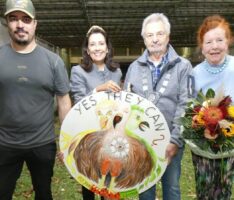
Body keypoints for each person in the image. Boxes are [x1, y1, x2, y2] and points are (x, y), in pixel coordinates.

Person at [0, 0, 71, 199]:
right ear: (7, 23)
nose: (20, 24)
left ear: (34, 24)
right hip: (5, 143)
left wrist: (66, 142)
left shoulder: (53, 61)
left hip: (42, 143)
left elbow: (64, 101)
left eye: (26, 19)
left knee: (43, 192)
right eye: (14, 19)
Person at [124, 13, 192, 200]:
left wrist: (175, 141)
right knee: (145, 189)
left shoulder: (183, 66)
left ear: (168, 36)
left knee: (171, 189)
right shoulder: (134, 67)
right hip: (141, 143)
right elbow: (126, 104)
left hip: (171, 141)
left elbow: (187, 104)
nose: (155, 39)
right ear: (144, 38)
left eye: (159, 34)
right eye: (149, 35)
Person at [70, 25, 122, 200]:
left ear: (107, 48)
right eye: (93, 44)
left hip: (111, 136)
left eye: (101, 43)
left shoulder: (116, 72)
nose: (97, 48)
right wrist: (98, 90)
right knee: (90, 182)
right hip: (88, 136)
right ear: (87, 49)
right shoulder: (78, 71)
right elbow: (78, 103)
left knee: (111, 183)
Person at [191, 15, 234, 200]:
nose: (214, 46)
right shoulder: (195, 73)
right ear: (202, 46)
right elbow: (190, 106)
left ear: (228, 41)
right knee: (204, 188)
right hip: (203, 144)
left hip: (230, 142)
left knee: (224, 187)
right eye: (208, 42)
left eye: (219, 40)